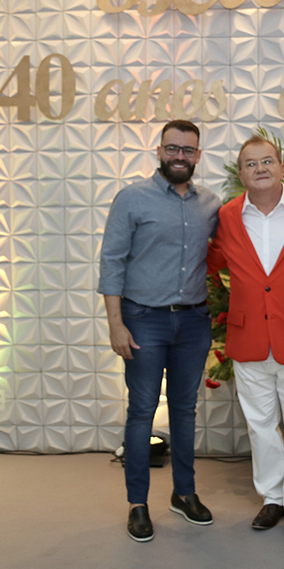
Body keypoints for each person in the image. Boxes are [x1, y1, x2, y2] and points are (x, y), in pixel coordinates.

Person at [98, 120, 221, 542]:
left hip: (193, 322)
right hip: (142, 320)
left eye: (188, 150)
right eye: (172, 148)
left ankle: (183, 494)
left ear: (198, 155)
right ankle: (138, 503)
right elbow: (111, 262)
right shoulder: (132, 198)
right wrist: (116, 324)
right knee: (142, 411)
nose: (179, 156)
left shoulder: (211, 204)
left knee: (185, 411)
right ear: (159, 151)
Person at [207, 135, 284, 549]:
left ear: (281, 167)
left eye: (267, 161)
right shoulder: (226, 217)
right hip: (249, 337)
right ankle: (273, 498)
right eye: (250, 163)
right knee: (260, 427)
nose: (260, 169)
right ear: (240, 174)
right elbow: (207, 263)